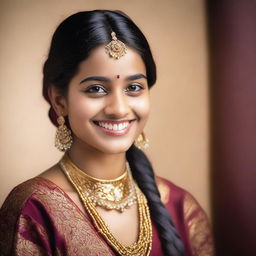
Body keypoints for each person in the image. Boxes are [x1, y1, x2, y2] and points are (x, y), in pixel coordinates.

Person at [0, 10, 214, 256]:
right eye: (97, 89)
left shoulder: (180, 208)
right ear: (60, 101)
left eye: (134, 87)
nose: (119, 109)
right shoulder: (34, 210)